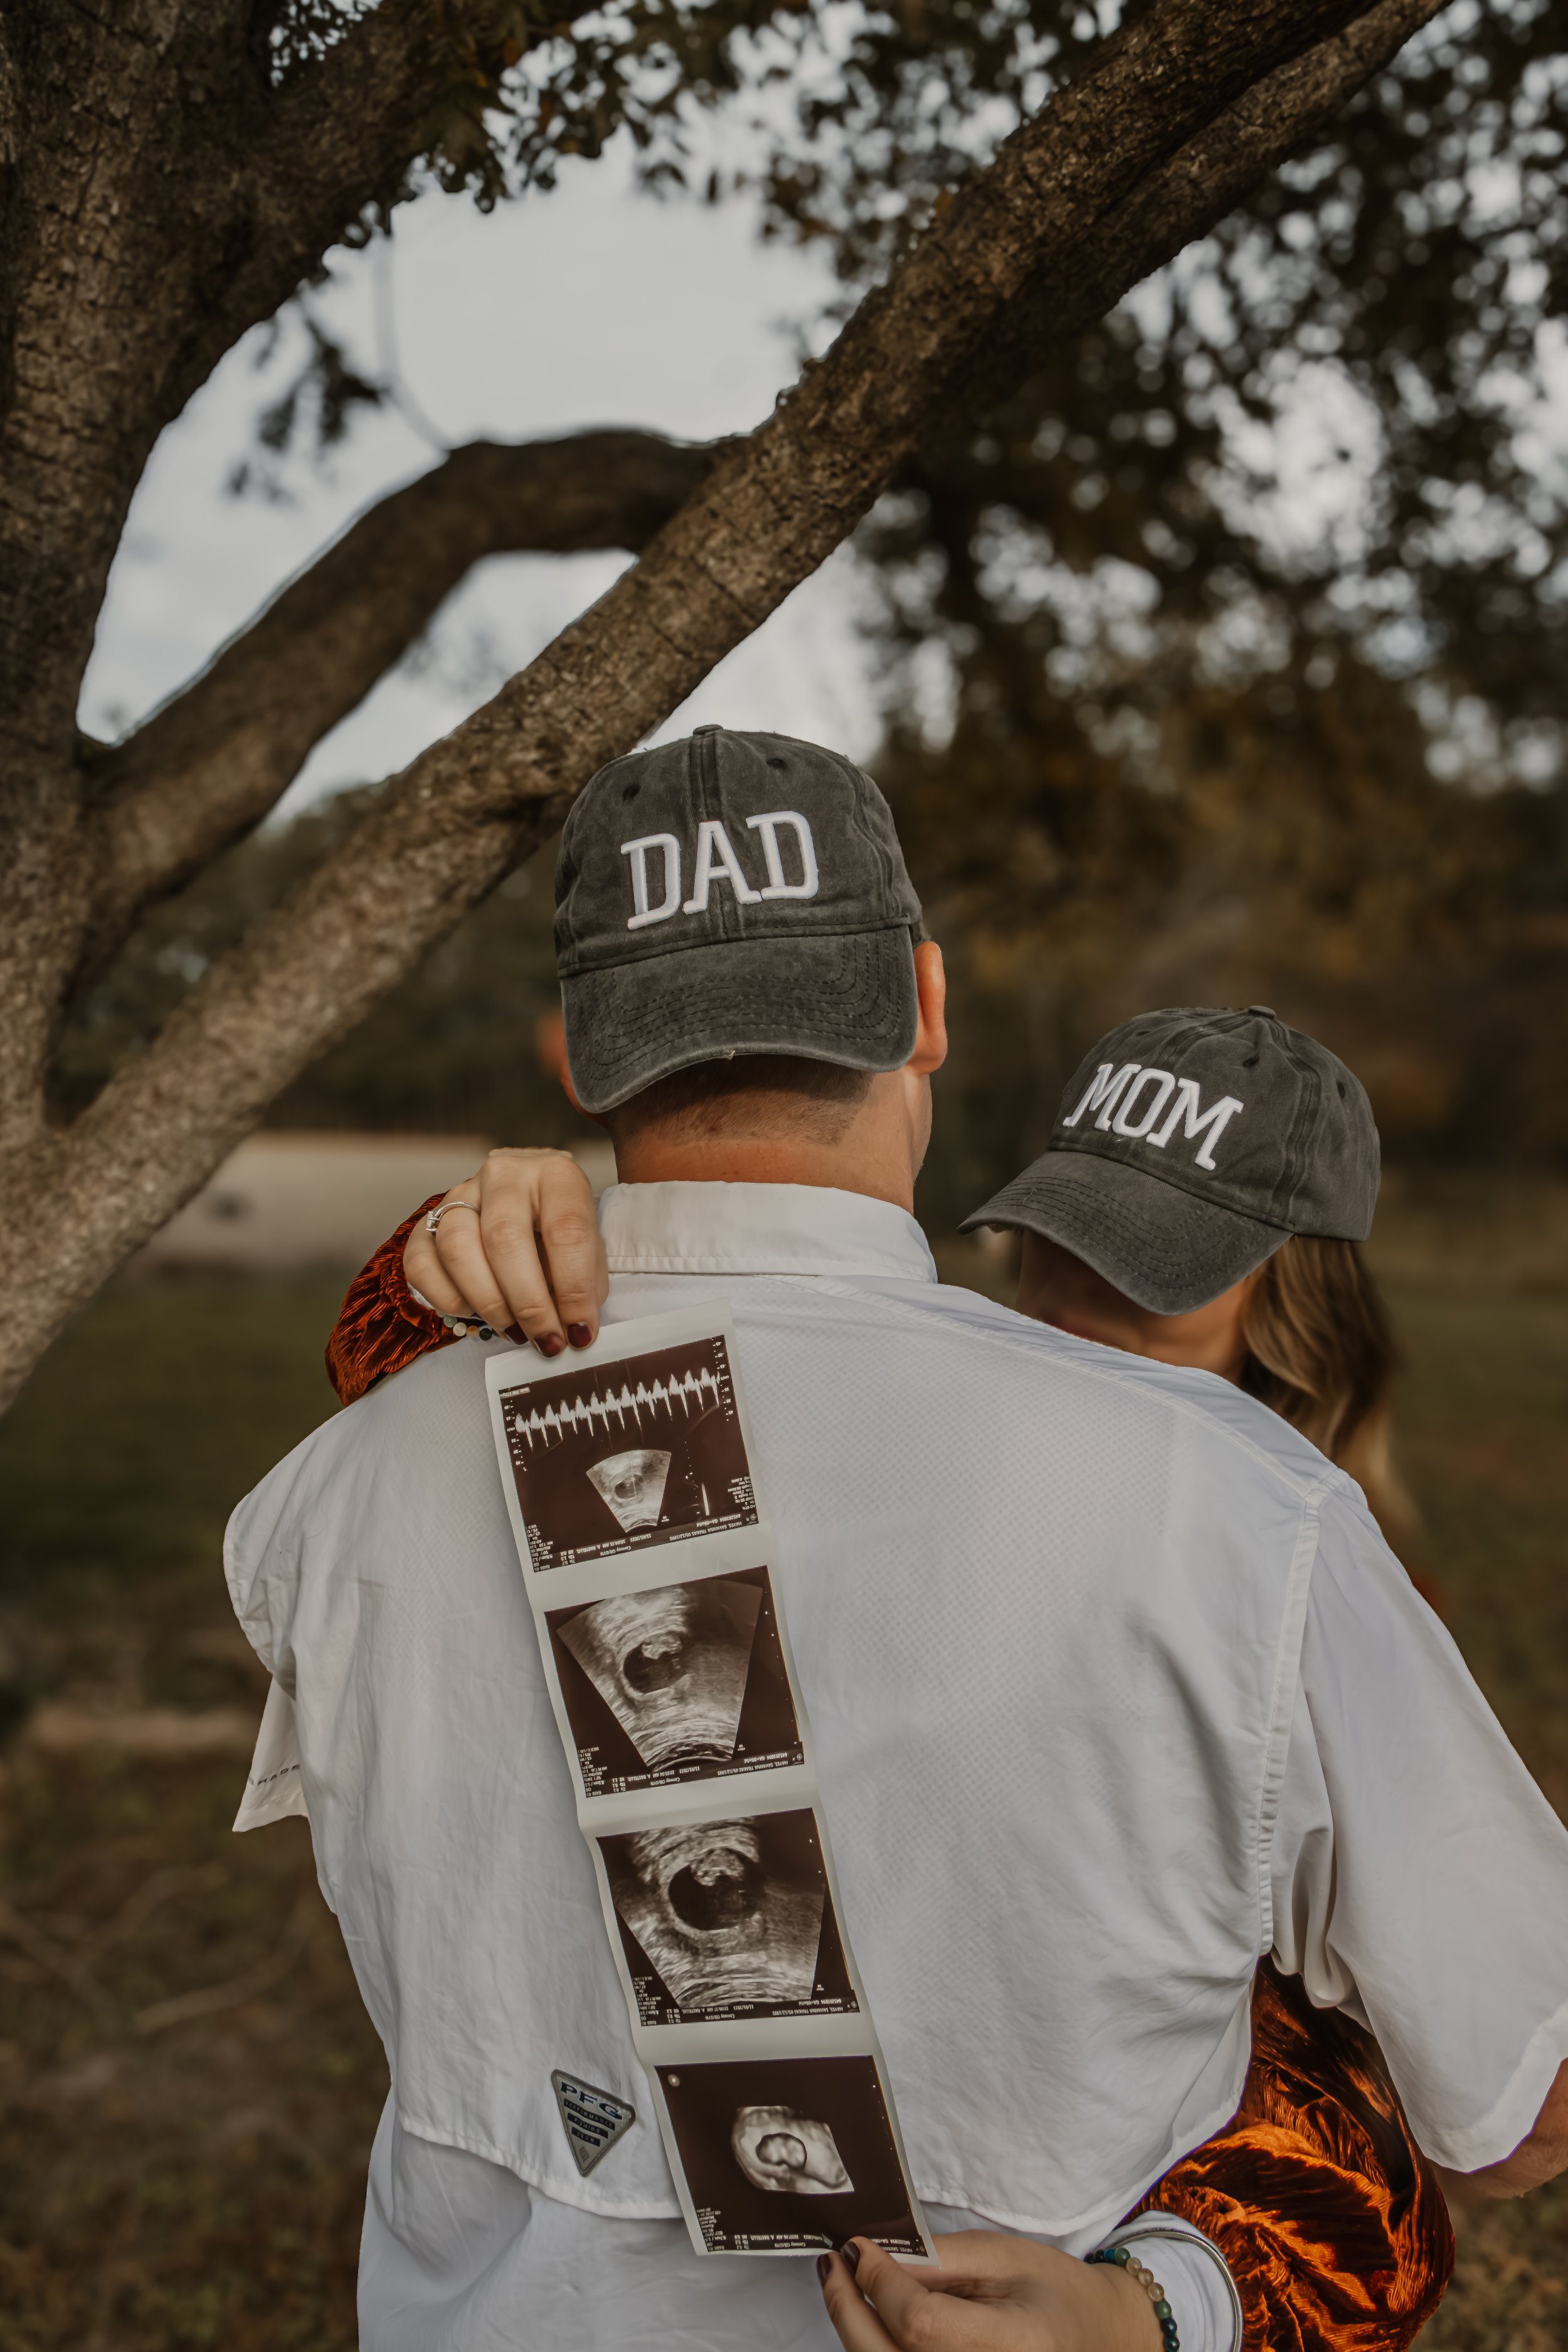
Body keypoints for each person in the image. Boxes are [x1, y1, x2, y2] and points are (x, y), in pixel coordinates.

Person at [229, 729, 1568, 2352]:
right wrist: (1193, 2290)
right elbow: (1514, 2110)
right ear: (927, 1006)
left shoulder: (332, 1488)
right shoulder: (1238, 1522)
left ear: (576, 1052)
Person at [323, 1008, 1448, 2350]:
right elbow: (444, 1433)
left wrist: (1159, 2305)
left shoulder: (1313, 1579)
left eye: (1156, 1283)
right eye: (1055, 1252)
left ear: (1296, 1318)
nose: (1074, 1319)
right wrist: (474, 1235)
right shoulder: (944, 1427)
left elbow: (1398, 2140)